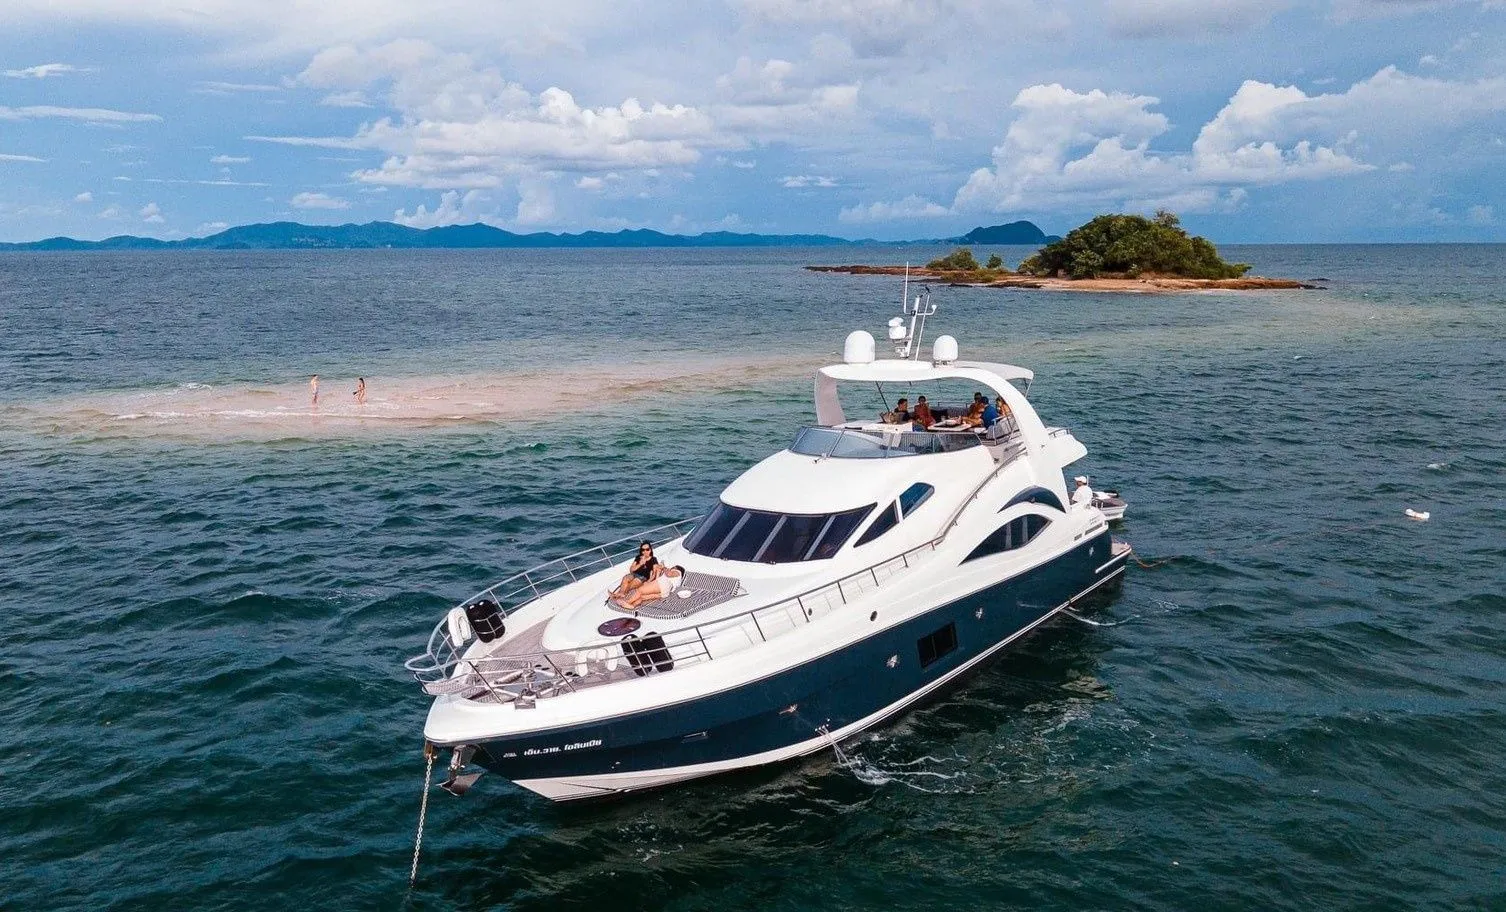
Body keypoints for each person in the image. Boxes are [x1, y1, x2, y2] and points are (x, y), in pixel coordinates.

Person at [615, 564, 686, 610]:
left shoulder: (677, 571)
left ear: (676, 568)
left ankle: (627, 602)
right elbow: (661, 578)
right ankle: (633, 606)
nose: (670, 568)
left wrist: (664, 567)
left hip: (662, 585)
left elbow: (669, 574)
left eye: (672, 567)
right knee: (642, 597)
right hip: (665, 593)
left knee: (640, 590)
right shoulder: (676, 579)